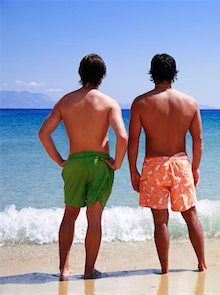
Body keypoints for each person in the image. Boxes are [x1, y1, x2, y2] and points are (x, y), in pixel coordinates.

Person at [38, 53, 128, 280]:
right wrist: (116, 163)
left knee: (70, 215)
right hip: (99, 164)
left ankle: (64, 270)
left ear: (80, 74)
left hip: (75, 163)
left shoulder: (65, 102)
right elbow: (122, 137)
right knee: (94, 218)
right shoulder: (109, 103)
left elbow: (43, 133)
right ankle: (89, 270)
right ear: (102, 76)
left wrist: (59, 160)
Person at [128, 53, 206, 274]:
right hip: (180, 163)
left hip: (153, 166)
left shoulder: (141, 103)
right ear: (174, 73)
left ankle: (164, 269)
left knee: (160, 221)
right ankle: (201, 264)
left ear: (152, 73)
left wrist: (132, 170)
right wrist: (195, 167)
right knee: (191, 215)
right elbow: (198, 139)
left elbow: (133, 141)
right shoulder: (190, 103)